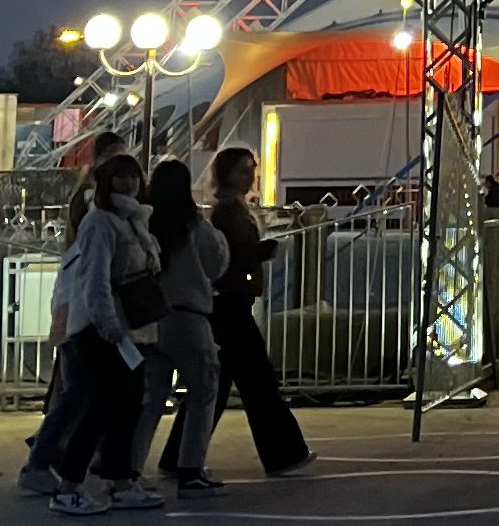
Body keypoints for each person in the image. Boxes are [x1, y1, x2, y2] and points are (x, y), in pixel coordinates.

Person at [45, 151, 165, 513]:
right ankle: (69, 486)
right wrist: (107, 322)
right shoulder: (100, 223)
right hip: (103, 329)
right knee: (101, 407)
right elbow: (94, 277)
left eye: (134, 176)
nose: (129, 182)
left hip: (128, 328)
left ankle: (119, 479)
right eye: (120, 176)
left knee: (127, 405)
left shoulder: (134, 220)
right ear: (105, 182)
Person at [19, 131, 132, 497]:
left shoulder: (98, 208)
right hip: (83, 308)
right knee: (84, 392)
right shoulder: (97, 210)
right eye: (118, 167)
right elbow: (95, 268)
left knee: (82, 391)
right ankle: (48, 460)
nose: (127, 179)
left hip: (79, 304)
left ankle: (52, 456)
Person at [201, 147, 312, 477]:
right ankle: (283, 453)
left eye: (252, 169)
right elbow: (231, 255)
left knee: (220, 386)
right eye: (243, 170)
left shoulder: (232, 209)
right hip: (232, 302)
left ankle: (181, 455)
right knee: (257, 381)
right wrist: (258, 254)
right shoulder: (229, 212)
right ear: (227, 174)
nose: (250, 176)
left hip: (230, 301)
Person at [130, 160, 228, 496]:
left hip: (152, 318)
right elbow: (217, 264)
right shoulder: (195, 227)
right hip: (190, 318)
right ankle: (191, 469)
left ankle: (130, 470)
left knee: (151, 400)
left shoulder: (145, 225)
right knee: (202, 395)